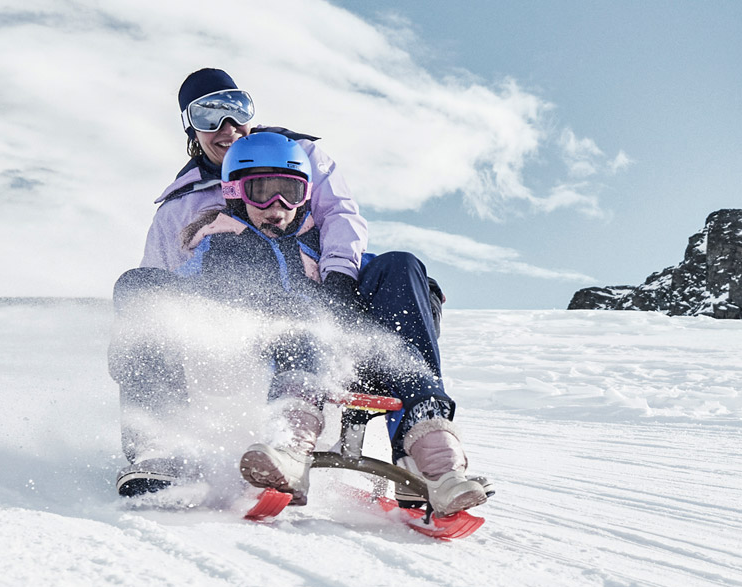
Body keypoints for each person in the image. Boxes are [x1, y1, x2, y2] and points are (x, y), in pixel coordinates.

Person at [117, 120, 487, 515]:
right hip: (267, 366)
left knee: (402, 266)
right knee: (287, 311)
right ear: (234, 194)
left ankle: (436, 462)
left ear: (306, 195)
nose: (277, 207)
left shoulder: (319, 244)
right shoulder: (219, 248)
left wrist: (421, 295)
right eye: (260, 192)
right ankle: (284, 447)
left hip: (355, 359)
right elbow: (187, 295)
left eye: (290, 192)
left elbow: (392, 285)